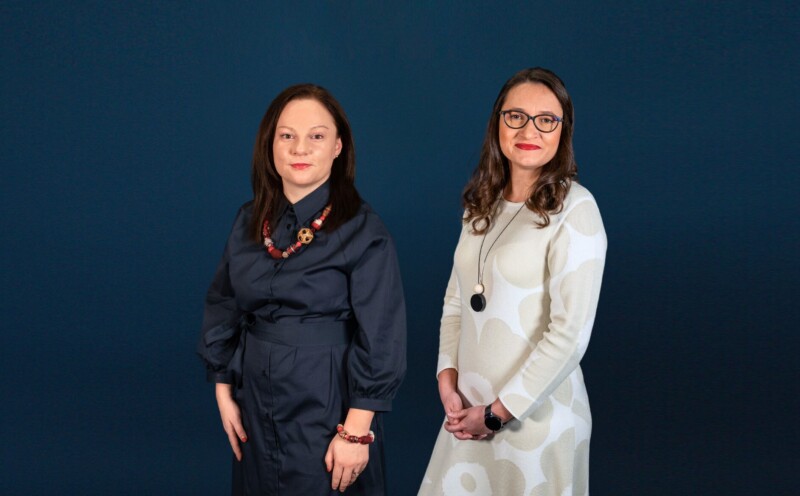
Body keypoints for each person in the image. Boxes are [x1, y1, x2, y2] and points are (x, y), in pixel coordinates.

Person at [197, 83, 406, 495]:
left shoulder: (363, 229)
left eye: (316, 136)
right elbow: (223, 305)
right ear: (269, 144)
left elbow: (382, 335)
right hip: (255, 396)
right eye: (287, 135)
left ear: (337, 147)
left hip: (328, 399)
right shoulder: (247, 221)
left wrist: (356, 432)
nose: (299, 149)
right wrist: (223, 391)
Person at [418, 67, 607, 496]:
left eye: (546, 119)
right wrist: (447, 377)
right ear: (497, 124)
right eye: (515, 116)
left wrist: (498, 412)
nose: (530, 129)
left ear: (563, 131)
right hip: (467, 415)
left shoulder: (576, 210)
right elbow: (456, 300)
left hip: (536, 424)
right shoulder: (481, 204)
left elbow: (570, 333)